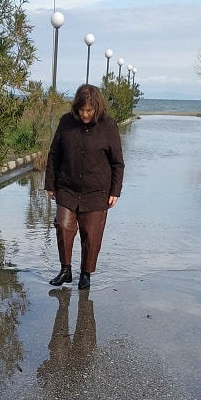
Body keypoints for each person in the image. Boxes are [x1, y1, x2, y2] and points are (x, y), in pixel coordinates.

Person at [44, 84, 124, 290]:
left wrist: (115, 191)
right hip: (67, 188)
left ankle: (86, 273)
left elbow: (117, 162)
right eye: (82, 110)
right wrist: (50, 184)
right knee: (63, 226)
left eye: (89, 110)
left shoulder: (108, 126)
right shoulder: (66, 122)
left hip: (97, 192)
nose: (85, 114)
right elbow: (54, 154)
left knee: (91, 234)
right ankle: (65, 269)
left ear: (97, 108)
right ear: (76, 108)